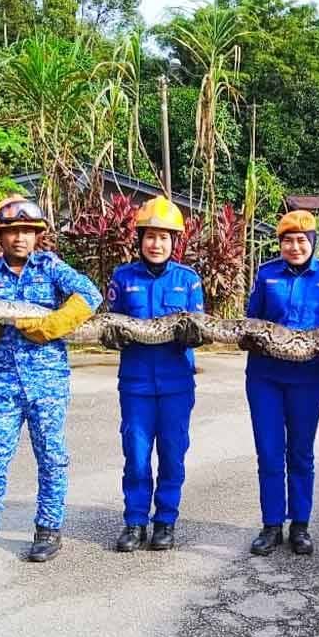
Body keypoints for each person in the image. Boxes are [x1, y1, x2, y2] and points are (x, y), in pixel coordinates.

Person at [0, 194, 102, 569]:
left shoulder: (51, 266)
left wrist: (58, 322)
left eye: (27, 230)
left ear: (38, 235)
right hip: (2, 384)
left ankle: (48, 530)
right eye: (11, 231)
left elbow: (90, 294)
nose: (20, 238)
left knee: (52, 459)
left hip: (48, 383)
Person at [241, 210, 319, 556]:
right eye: (288, 240)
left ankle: (300, 524)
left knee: (301, 452)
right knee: (269, 452)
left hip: (307, 378)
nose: (295, 246)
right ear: (280, 244)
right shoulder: (266, 274)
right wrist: (248, 338)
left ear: (313, 243)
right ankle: (272, 525)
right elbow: (250, 322)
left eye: (302, 240)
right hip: (265, 377)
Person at [101, 196, 205, 552]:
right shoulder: (122, 277)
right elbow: (108, 324)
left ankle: (165, 521)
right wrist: (110, 337)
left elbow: (202, 328)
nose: (156, 244)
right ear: (140, 239)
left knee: (173, 454)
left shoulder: (188, 280)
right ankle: (134, 522)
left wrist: (197, 335)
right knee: (136, 453)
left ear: (174, 242)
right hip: (136, 384)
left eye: (164, 237)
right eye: (150, 236)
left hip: (177, 382)